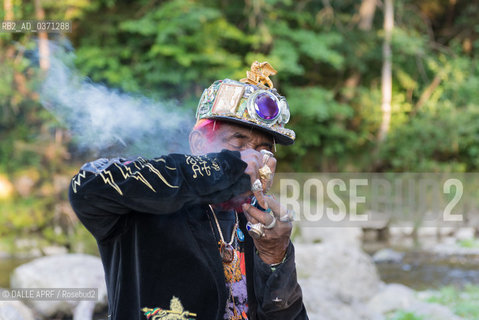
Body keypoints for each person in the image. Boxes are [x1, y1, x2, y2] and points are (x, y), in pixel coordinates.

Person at [69, 62, 308, 320]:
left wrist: (277, 259)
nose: (256, 160)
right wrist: (224, 168)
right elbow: (86, 186)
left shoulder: (260, 228)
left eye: (264, 151)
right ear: (198, 145)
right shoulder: (144, 204)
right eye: (239, 142)